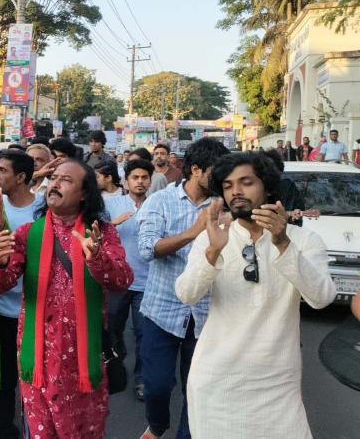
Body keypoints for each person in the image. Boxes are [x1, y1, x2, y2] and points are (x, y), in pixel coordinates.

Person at [175, 151, 335, 438]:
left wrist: (283, 244)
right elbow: (186, 294)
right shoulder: (213, 238)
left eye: (246, 182)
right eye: (227, 185)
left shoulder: (304, 240)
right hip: (216, 380)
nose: (235, 191)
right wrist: (213, 252)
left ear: (267, 186)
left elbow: (321, 297)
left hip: (277, 384)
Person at [0, 159, 133, 439]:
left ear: (85, 194)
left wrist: (97, 257)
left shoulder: (100, 234)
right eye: (53, 178)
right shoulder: (29, 233)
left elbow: (122, 280)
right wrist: (0, 260)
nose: (54, 184)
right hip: (37, 360)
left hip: (82, 362)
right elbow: (0, 285)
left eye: (66, 180)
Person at [136, 137, 230, 439]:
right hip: (161, 311)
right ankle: (158, 424)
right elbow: (148, 249)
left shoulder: (225, 206)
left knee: (198, 390)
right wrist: (195, 231)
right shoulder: (160, 200)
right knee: (157, 386)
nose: (222, 181)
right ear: (196, 170)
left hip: (206, 316)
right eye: (216, 173)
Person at [0, 149, 44, 439]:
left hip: (36, 308)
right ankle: (3, 428)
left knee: (33, 375)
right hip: (0, 309)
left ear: (21, 177)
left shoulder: (45, 208)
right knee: (4, 376)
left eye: (2, 170)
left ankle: (34, 427)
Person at [104, 160, 154, 402]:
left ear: (150, 181)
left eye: (145, 177)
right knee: (113, 329)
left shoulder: (157, 205)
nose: (140, 181)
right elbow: (95, 234)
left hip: (147, 282)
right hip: (117, 281)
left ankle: (142, 378)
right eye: (136, 177)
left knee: (145, 334)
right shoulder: (111, 204)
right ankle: (115, 361)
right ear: (126, 181)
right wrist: (113, 225)